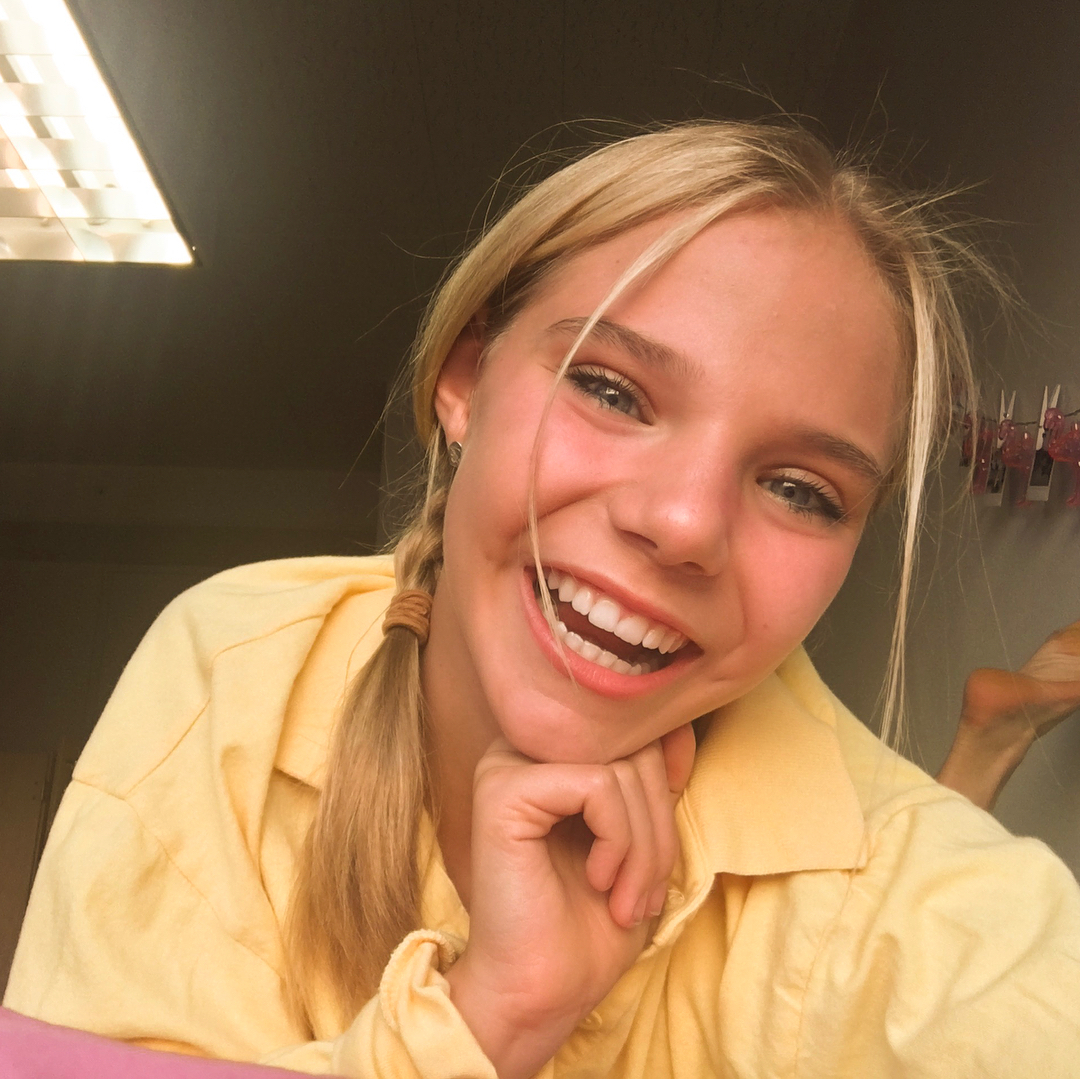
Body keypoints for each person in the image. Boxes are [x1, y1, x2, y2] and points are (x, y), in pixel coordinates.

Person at [5, 121, 1080, 1078]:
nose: (684, 523)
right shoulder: (244, 660)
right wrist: (491, 1021)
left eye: (801, 489)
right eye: (612, 390)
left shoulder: (958, 917)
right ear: (465, 377)